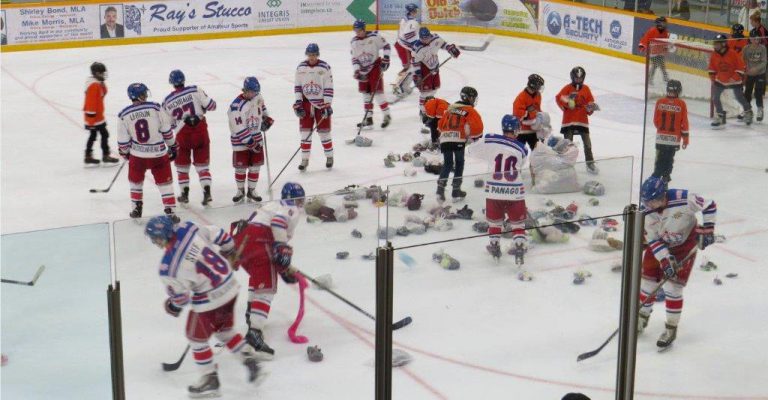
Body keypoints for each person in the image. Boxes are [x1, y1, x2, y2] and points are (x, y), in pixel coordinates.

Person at [144, 216, 261, 397]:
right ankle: (248, 357)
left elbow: (181, 299)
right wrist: (229, 251)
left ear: (162, 237)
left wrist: (172, 306)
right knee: (224, 331)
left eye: (155, 238)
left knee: (196, 338)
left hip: (210, 302)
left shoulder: (168, 267)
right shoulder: (190, 228)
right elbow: (221, 235)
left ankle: (209, 379)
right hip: (230, 287)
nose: (154, 242)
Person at [638, 176, 717, 350]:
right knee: (647, 282)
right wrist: (665, 260)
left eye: (653, 201)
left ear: (663, 195)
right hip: (659, 244)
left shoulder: (684, 198)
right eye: (646, 201)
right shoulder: (646, 212)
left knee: (672, 288)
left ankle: (671, 328)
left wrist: (708, 228)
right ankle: (641, 317)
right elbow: (652, 239)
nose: (649, 205)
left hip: (684, 245)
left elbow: (709, 204)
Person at [229, 182, 305, 360]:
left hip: (243, 241)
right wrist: (281, 248)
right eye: (299, 199)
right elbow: (278, 223)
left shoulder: (270, 205)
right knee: (267, 288)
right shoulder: (289, 208)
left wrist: (285, 268)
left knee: (258, 278)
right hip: (259, 241)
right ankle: (254, 333)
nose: (300, 203)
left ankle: (251, 312)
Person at [467, 115, 529, 265]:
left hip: (494, 190)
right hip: (515, 191)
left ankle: (494, 246)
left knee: (495, 223)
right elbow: (521, 164)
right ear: (515, 129)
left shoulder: (490, 139)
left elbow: (471, 150)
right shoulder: (523, 148)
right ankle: (519, 248)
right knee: (518, 224)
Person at [117, 83, 178, 220]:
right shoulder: (156, 108)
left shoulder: (123, 115)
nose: (145, 95)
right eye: (143, 93)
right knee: (165, 183)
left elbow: (123, 142)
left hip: (138, 156)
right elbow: (166, 130)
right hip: (159, 155)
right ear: (138, 96)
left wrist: (125, 152)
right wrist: (172, 145)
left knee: (135, 181)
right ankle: (170, 211)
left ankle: (136, 208)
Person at [162, 69, 217, 206]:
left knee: (182, 167)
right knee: (203, 167)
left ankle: (184, 194)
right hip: (200, 131)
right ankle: (207, 192)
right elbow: (212, 106)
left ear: (172, 83)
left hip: (182, 134)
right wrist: (202, 108)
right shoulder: (195, 90)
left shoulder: (167, 101)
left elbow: (167, 124)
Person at [228, 77, 272, 203]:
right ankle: (240, 191)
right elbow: (239, 129)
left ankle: (252, 190)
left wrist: (267, 119)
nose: (254, 95)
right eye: (251, 92)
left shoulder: (258, 97)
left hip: (256, 136)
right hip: (241, 142)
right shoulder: (236, 107)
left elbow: (262, 107)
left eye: (255, 92)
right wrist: (251, 143)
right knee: (241, 168)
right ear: (245, 90)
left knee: (255, 167)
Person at [436, 86, 483, 202]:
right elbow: (477, 129)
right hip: (458, 140)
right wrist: (472, 138)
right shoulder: (470, 111)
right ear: (468, 98)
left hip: (445, 139)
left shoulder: (450, 109)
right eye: (473, 98)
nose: (473, 101)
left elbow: (440, 125)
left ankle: (440, 190)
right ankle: (456, 190)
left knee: (447, 164)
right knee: (459, 163)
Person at [294, 43, 334, 171]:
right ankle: (304, 160)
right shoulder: (301, 67)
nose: (311, 57)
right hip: (306, 104)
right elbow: (298, 87)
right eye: (310, 55)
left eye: (314, 55)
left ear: (317, 55)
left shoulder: (325, 67)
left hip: (321, 104)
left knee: (324, 133)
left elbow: (329, 86)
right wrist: (298, 103)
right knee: (305, 133)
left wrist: (327, 104)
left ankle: (329, 156)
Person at [555, 66, 599, 175]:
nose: (578, 80)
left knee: (587, 144)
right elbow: (558, 97)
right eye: (576, 78)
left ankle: (590, 163)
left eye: (580, 78)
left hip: (582, 121)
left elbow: (590, 102)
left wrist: (591, 107)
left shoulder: (586, 89)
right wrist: (567, 103)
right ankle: (566, 164)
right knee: (568, 145)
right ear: (572, 77)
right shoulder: (567, 88)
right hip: (569, 121)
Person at [350, 19, 392, 130]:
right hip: (362, 70)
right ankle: (368, 118)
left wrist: (386, 59)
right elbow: (354, 58)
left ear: (364, 29)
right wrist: (356, 71)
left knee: (377, 93)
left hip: (374, 67)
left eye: (359, 30)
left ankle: (386, 115)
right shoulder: (354, 42)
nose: (357, 32)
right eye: (355, 30)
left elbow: (387, 46)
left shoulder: (374, 37)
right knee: (366, 94)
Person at [411, 27, 460, 118]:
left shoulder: (435, 38)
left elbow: (444, 44)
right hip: (424, 69)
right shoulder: (417, 48)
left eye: (427, 37)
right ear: (420, 38)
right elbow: (415, 62)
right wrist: (418, 75)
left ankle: (429, 105)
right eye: (423, 38)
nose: (426, 40)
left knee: (434, 89)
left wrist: (450, 49)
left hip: (435, 66)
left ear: (430, 35)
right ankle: (422, 111)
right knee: (424, 92)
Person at [708, 34, 752, 127]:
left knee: (739, 97)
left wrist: (734, 78)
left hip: (734, 80)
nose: (715, 46)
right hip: (721, 80)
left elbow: (741, 67)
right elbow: (711, 69)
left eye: (717, 44)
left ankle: (748, 112)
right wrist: (713, 79)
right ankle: (720, 116)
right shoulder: (714, 55)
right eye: (714, 43)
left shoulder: (733, 53)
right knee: (715, 98)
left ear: (723, 44)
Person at [651, 80, 689, 183]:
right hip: (673, 140)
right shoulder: (681, 104)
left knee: (659, 161)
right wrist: (685, 139)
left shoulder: (660, 101)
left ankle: (654, 182)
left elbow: (656, 121)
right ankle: (665, 179)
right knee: (669, 160)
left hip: (661, 139)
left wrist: (663, 130)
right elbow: (684, 124)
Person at [83, 62, 119, 166]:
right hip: (94, 118)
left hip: (98, 117)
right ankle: (105, 155)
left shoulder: (97, 83)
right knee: (102, 134)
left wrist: (102, 83)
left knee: (95, 135)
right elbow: (90, 104)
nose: (103, 75)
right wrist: (90, 122)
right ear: (96, 73)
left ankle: (88, 156)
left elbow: (104, 93)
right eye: (101, 73)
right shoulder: (93, 85)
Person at [393, 3, 420, 98]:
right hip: (403, 46)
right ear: (411, 11)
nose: (416, 12)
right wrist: (417, 44)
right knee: (408, 67)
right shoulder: (412, 22)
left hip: (403, 45)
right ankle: (397, 86)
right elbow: (407, 35)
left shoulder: (406, 19)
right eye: (414, 11)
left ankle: (404, 85)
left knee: (412, 66)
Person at [512, 73, 544, 151]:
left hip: (533, 130)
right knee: (518, 153)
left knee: (537, 152)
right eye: (538, 86)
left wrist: (541, 118)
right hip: (521, 131)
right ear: (533, 85)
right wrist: (531, 113)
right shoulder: (521, 97)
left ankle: (534, 164)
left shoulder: (538, 95)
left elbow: (537, 110)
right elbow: (517, 114)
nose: (540, 88)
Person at [638, 17, 671, 85]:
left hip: (660, 52)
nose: (665, 24)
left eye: (665, 23)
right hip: (652, 52)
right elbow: (645, 38)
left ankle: (665, 77)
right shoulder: (652, 30)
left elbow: (665, 42)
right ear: (659, 24)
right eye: (663, 23)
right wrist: (642, 46)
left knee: (662, 65)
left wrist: (666, 48)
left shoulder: (666, 32)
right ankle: (650, 79)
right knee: (655, 65)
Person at [743, 29, 766, 122]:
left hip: (760, 73)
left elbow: (764, 62)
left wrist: (756, 69)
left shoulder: (762, 48)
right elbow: (742, 60)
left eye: (758, 39)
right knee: (747, 92)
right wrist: (745, 69)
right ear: (751, 39)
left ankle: (760, 109)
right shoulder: (746, 48)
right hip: (750, 74)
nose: (757, 41)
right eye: (755, 39)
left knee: (758, 92)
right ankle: (747, 110)